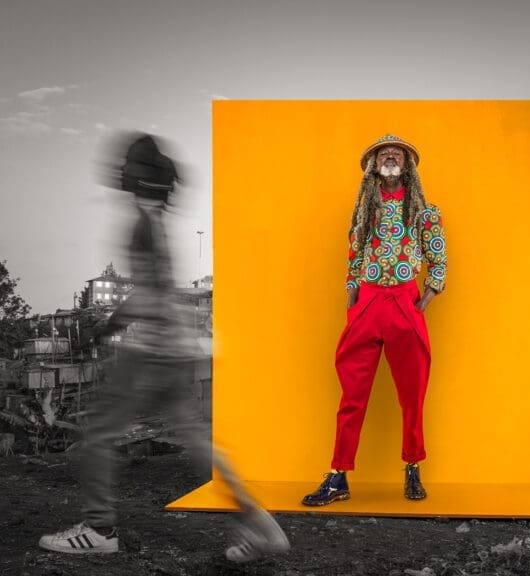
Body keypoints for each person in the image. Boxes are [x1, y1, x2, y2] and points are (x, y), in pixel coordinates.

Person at [39, 133, 289, 562]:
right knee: (196, 439)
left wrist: (108, 329)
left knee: (98, 432)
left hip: (150, 350)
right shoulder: (154, 221)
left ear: (131, 179)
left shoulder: (140, 225)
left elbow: (148, 293)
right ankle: (261, 524)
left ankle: (98, 528)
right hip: (175, 348)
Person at [302, 134, 447, 506]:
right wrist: (353, 296)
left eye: (397, 153)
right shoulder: (366, 208)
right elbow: (353, 256)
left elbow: (439, 261)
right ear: (374, 166)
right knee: (352, 395)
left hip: (404, 304)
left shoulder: (424, 211)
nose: (390, 157)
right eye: (384, 154)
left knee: (413, 395)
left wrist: (422, 303)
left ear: (408, 165)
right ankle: (338, 476)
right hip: (367, 303)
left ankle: (413, 468)